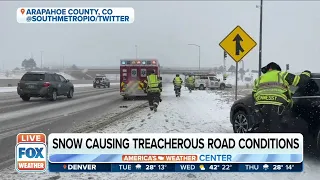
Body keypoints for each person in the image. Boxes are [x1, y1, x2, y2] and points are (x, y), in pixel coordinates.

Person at [252, 62, 311, 133]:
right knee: (278, 130)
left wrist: (257, 109)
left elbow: (253, 95)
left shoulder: (259, 79)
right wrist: (307, 73)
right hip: (278, 106)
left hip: (262, 107)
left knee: (265, 129)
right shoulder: (282, 74)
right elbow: (300, 80)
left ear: (269, 69)